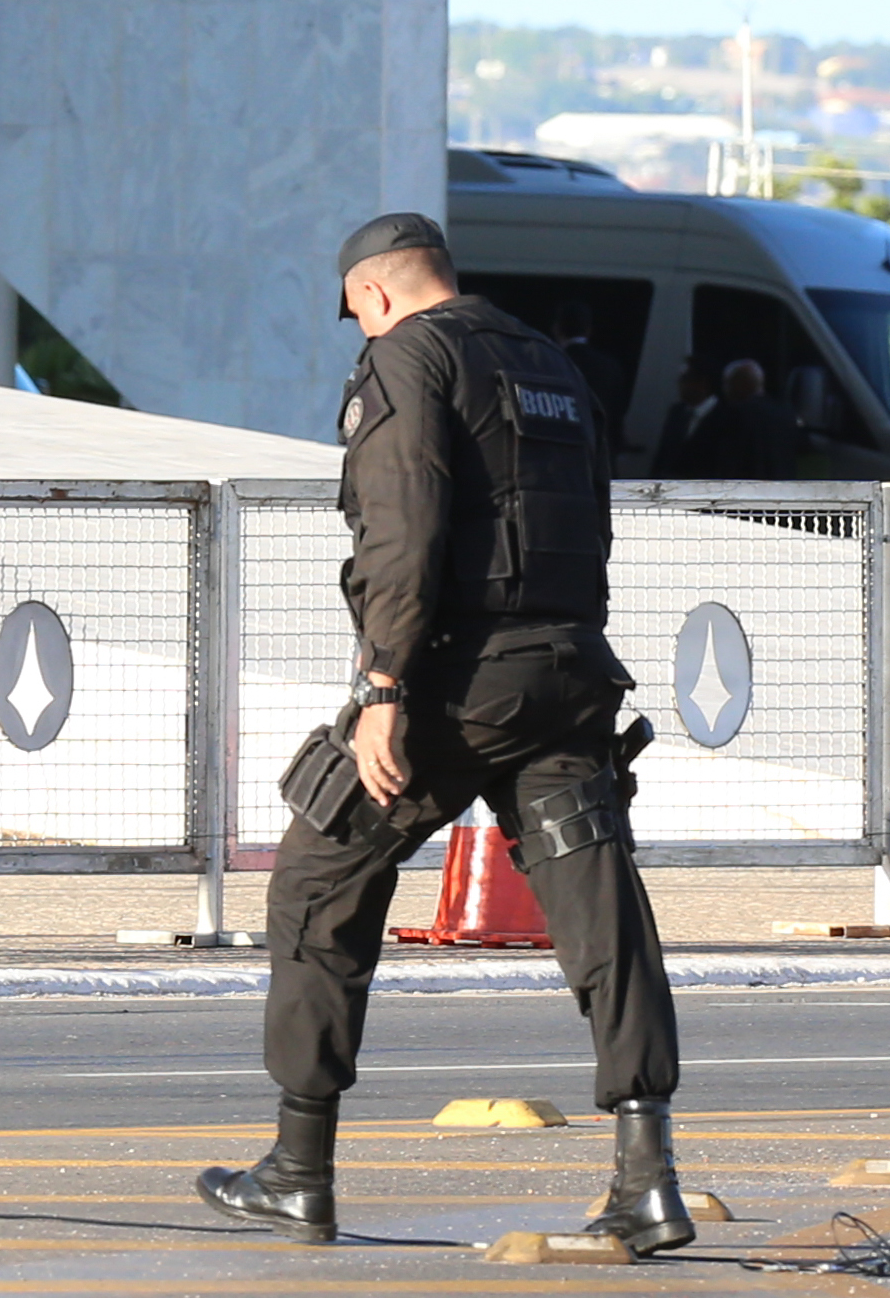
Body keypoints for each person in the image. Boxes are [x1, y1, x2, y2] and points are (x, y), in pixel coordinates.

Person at [198, 212, 690, 1253]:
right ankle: (645, 1178)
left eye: (355, 316)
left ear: (371, 295)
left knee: (316, 877)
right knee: (600, 908)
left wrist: (382, 682)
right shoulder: (546, 361)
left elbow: (404, 520)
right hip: (566, 671)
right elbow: (588, 520)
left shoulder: (404, 357)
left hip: (455, 681)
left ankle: (296, 1167)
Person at [684, 357, 803, 480]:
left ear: (739, 383)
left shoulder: (733, 415)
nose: (725, 389)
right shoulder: (786, 414)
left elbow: (723, 460)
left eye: (727, 383)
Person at [551, 300, 635, 441]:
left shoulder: (551, 363)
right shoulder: (610, 366)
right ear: (588, 329)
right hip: (597, 449)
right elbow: (615, 420)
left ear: (556, 328)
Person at [646, 357, 716, 479]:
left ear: (702, 382)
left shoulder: (725, 416)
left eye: (685, 379)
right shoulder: (677, 412)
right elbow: (663, 455)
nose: (680, 384)